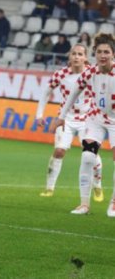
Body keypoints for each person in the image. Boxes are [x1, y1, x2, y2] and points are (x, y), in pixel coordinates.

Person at [51, 33, 115, 217]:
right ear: (95, 54)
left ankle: (113, 204)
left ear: (113, 54)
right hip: (95, 118)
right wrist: (61, 116)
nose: (103, 55)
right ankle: (84, 205)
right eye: (99, 52)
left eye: (107, 52)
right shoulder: (90, 72)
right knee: (87, 157)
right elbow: (73, 94)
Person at [36, 44, 103, 199]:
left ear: (85, 57)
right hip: (65, 118)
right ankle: (49, 188)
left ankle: (97, 186)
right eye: (74, 54)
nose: (76, 57)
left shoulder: (92, 73)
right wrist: (39, 115)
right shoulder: (61, 74)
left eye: (80, 54)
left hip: (87, 119)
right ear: (69, 56)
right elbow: (46, 93)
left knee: (91, 154)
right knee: (59, 151)